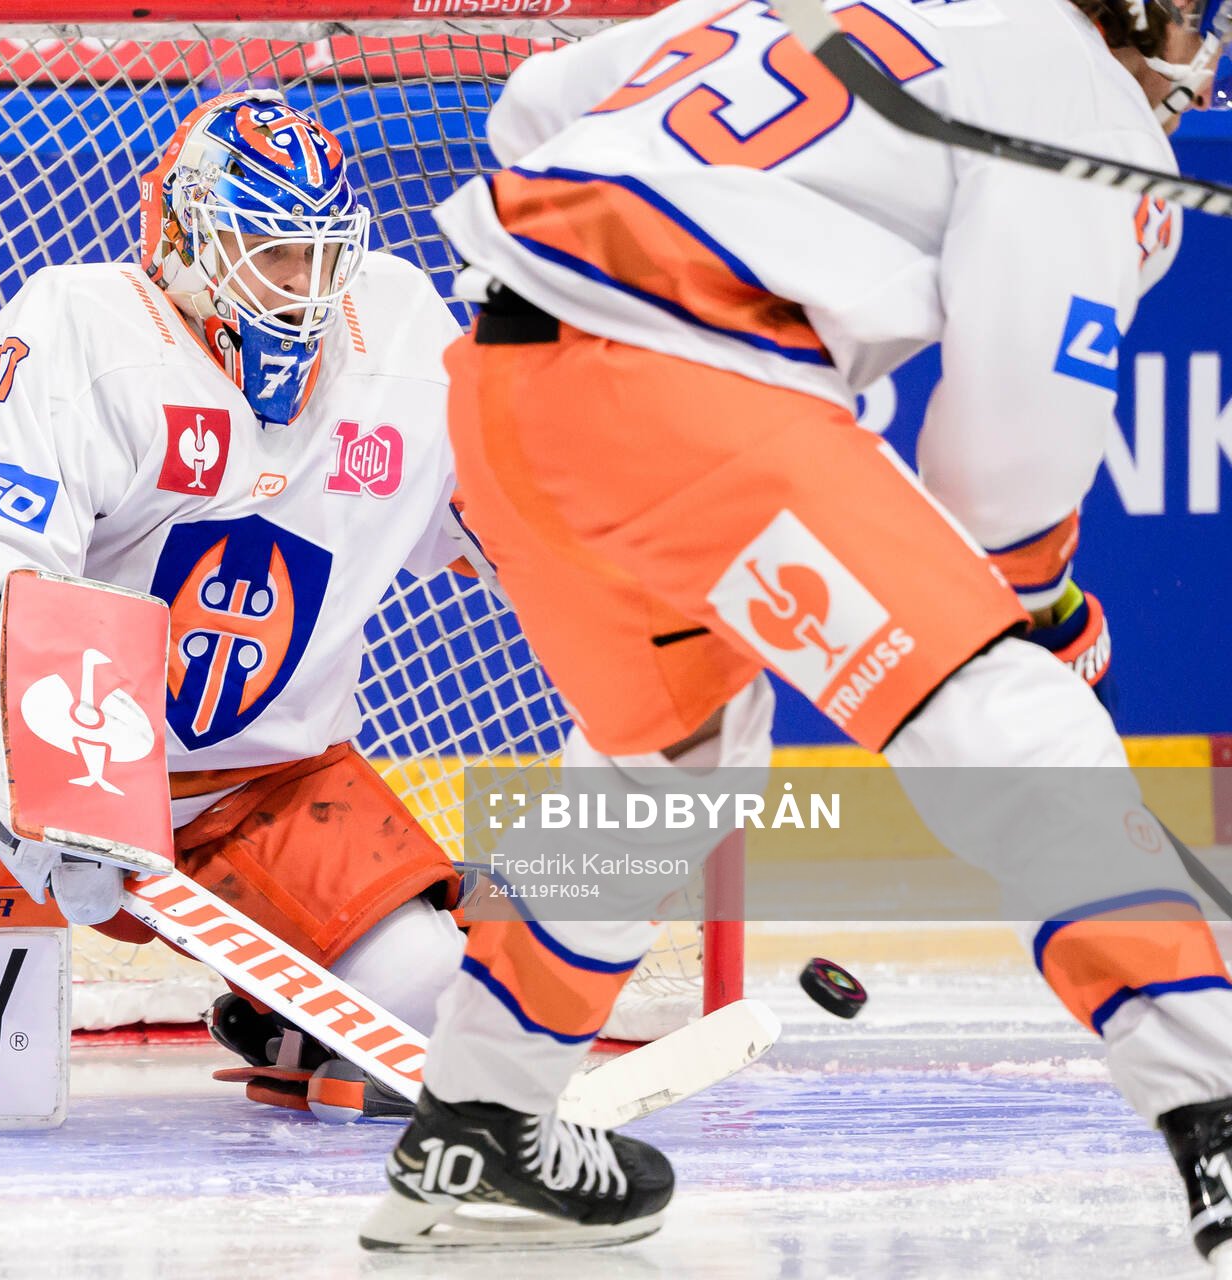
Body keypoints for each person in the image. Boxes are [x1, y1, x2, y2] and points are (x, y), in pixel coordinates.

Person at [361, 0, 1232, 1255]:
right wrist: (1039, 605)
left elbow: (541, 101)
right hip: (687, 386)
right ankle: (1215, 1108)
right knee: (1007, 716)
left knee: (664, 768)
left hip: (503, 393)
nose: (1196, 45)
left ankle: (479, 1118)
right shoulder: (1084, 101)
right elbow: (1005, 472)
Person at [0, 90, 478, 1101]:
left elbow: (506, 518)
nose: (302, 286)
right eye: (269, 248)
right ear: (187, 235)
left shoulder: (403, 334)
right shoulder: (87, 325)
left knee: (437, 1004)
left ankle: (290, 1016)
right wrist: (59, 772)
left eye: (324, 254)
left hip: (265, 788)